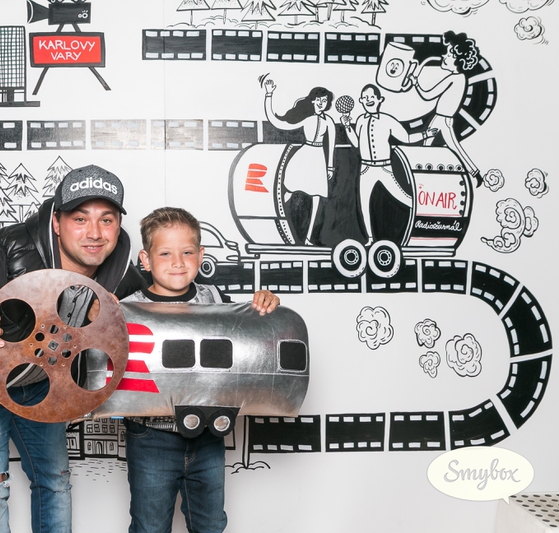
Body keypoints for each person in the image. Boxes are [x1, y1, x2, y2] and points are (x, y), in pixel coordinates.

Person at [0, 164, 145, 533]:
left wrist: (254, 307)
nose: (94, 233)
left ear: (118, 226)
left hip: (40, 383)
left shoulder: (120, 276)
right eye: (80, 219)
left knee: (54, 480)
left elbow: (169, 302)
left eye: (107, 220)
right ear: (56, 222)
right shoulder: (10, 250)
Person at [121, 207, 280, 533]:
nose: (178, 262)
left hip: (208, 435)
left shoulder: (216, 299)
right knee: (149, 526)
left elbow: (249, 341)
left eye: (187, 252)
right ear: (145, 260)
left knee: (210, 524)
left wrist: (265, 304)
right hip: (151, 437)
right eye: (165, 253)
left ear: (201, 255)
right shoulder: (127, 308)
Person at [342, 84, 437, 244]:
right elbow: (357, 143)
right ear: (361, 100)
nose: (368, 100)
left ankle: (426, 220)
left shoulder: (387, 120)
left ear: (380, 99)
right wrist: (346, 126)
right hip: (366, 169)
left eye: (372, 97)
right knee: (364, 204)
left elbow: (406, 138)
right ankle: (370, 239)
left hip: (384, 168)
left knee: (404, 198)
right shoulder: (360, 120)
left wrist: (425, 134)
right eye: (365, 97)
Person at [263, 81, 336, 245]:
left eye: (324, 100)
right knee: (288, 189)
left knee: (317, 197)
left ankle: (309, 238)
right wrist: (269, 95)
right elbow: (277, 122)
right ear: (313, 100)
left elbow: (331, 145)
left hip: (318, 159)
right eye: (319, 100)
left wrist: (330, 166)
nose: (321, 103)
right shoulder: (307, 119)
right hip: (303, 156)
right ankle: (275, 221)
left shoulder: (329, 122)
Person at [411, 31, 482, 187]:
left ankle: (424, 177)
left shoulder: (454, 78)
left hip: (443, 119)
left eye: (449, 54)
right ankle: (474, 173)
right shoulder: (461, 78)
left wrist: (416, 83)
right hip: (442, 118)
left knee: (441, 147)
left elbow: (428, 95)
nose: (444, 56)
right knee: (435, 147)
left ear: (458, 59)